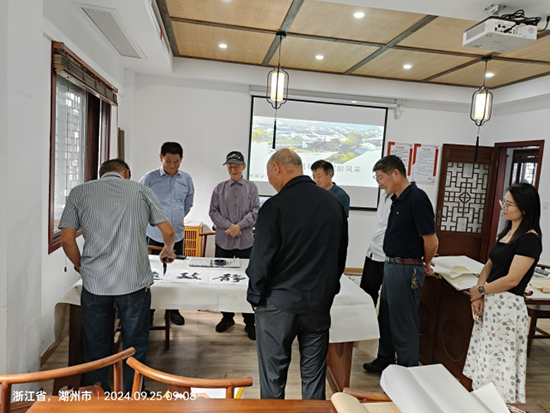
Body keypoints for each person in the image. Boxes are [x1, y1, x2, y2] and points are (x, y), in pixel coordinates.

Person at [59, 159, 176, 393]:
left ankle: (98, 392)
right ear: (126, 173)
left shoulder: (79, 192)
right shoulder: (141, 191)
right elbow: (169, 231)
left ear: (101, 174)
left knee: (96, 342)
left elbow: (66, 239)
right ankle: (134, 392)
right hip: (133, 282)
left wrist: (80, 265)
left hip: (95, 282)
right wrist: (167, 249)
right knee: (135, 342)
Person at [247, 149, 348, 400]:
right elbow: (339, 255)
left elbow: (261, 260)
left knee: (273, 377)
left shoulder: (274, 206)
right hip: (318, 304)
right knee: (314, 377)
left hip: (278, 304)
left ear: (277, 168)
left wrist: (255, 297)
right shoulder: (333, 204)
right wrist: (329, 291)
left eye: (268, 173)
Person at [464, 183, 542, 403]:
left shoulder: (530, 239)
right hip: (491, 303)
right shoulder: (507, 232)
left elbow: (512, 280)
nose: (503, 208)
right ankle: (480, 403)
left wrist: (480, 290)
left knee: (498, 365)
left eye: (509, 204)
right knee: (485, 359)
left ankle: (495, 405)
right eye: (503, 202)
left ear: (524, 208)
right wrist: (479, 295)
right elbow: (489, 265)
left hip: (507, 309)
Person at [364, 155, 438, 373]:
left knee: (404, 321)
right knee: (386, 316)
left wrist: (424, 263)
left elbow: (431, 241)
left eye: (381, 178)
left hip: (407, 268)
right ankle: (385, 358)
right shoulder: (396, 199)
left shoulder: (417, 198)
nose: (380, 184)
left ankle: (407, 370)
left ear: (395, 173)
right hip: (391, 265)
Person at [140, 141, 194, 326]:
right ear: (161, 158)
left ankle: (174, 310)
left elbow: (188, 203)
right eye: (168, 161)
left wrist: (175, 219)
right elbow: (141, 203)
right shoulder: (149, 179)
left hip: (177, 235)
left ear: (181, 160)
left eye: (176, 161)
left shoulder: (186, 179)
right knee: (152, 273)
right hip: (154, 235)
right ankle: (150, 311)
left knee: (176, 273)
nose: (172, 165)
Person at [209, 151, 259, 340]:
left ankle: (249, 321)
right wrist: (229, 226)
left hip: (245, 242)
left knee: (248, 281)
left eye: (236, 166)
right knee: (224, 281)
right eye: (230, 166)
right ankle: (227, 317)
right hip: (224, 241)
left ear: (243, 166)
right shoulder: (219, 188)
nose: (233, 169)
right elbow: (213, 212)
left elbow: (255, 211)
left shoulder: (252, 188)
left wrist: (239, 226)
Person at [360, 188, 392, 306]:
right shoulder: (383, 194)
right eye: (377, 179)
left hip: (389, 255)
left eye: (381, 179)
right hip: (373, 250)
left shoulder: (403, 198)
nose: (380, 183)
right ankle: (369, 316)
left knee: (388, 296)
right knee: (366, 291)